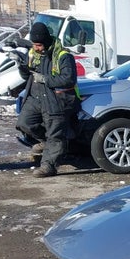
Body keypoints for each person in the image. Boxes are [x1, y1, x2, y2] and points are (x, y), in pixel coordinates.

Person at [15, 22, 79, 178]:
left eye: (38, 45)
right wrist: (21, 66)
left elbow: (68, 79)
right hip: (36, 98)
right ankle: (46, 143)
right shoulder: (33, 54)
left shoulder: (63, 56)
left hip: (56, 100)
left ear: (46, 42)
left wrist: (45, 79)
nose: (36, 48)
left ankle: (48, 166)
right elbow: (26, 76)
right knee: (24, 123)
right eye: (34, 44)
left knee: (55, 135)